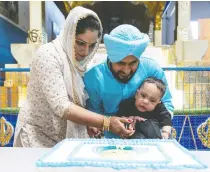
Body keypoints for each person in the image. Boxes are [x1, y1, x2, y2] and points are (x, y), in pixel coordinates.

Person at [13, 7, 134, 148]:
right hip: (38, 136)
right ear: (69, 35)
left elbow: (76, 101)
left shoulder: (79, 63)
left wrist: (90, 123)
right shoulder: (48, 55)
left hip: (63, 140)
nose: (85, 51)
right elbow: (62, 106)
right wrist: (106, 122)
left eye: (92, 45)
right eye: (80, 43)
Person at [84, 24, 174, 138]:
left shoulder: (152, 69)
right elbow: (95, 113)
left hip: (150, 137)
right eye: (121, 63)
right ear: (111, 58)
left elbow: (166, 103)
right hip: (111, 139)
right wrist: (103, 125)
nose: (126, 70)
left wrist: (158, 126)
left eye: (132, 63)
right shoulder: (94, 77)